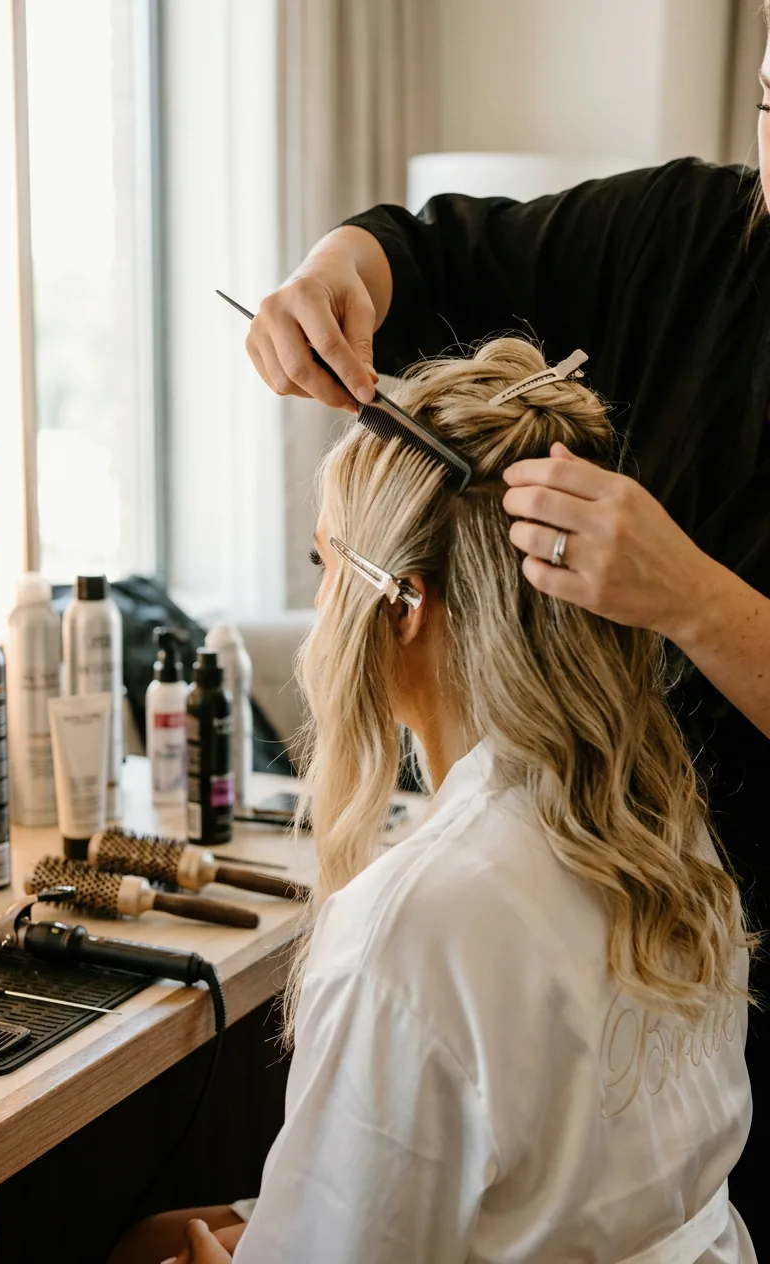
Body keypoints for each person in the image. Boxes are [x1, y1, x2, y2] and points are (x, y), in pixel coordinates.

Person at [242, 21, 770, 1249]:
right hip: (662, 928)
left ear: (401, 601)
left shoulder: (414, 940)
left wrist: (692, 597)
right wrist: (339, 275)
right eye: (767, 98)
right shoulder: (699, 237)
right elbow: (430, 250)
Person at [115, 340, 755, 1263]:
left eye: (326, 563)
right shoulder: (656, 818)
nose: (323, 600)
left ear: (405, 602)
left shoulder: (413, 926)